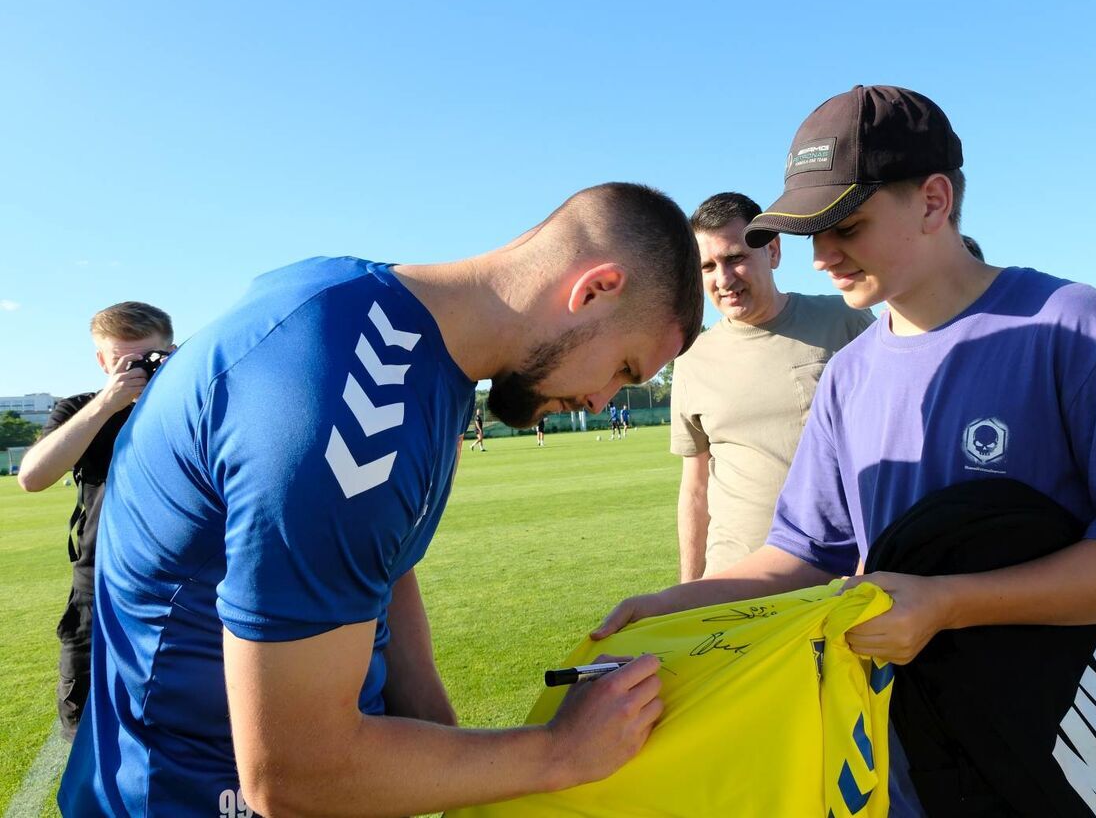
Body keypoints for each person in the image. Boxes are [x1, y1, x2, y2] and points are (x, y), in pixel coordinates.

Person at [593, 86, 1096, 812]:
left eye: (847, 226)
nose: (823, 256)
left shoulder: (1077, 330)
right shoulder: (850, 374)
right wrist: (669, 606)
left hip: (1070, 747)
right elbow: (801, 555)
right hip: (907, 753)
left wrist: (949, 603)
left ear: (932, 200)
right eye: (810, 233)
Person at [59, 182, 704, 817]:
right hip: (187, 791)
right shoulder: (348, 395)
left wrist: (442, 739)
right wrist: (561, 751)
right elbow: (294, 776)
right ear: (593, 290)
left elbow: (384, 566)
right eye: (624, 368)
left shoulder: (387, 328)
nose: (602, 401)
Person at [672, 192, 873, 582]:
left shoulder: (844, 322)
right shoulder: (692, 358)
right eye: (708, 266)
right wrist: (690, 587)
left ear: (773, 251)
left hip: (834, 576)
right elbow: (695, 487)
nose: (724, 279)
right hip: (732, 581)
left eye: (735, 258)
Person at [17, 301, 175, 742]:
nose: (135, 370)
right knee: (83, 721)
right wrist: (108, 403)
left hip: (172, 592)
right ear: (102, 360)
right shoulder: (83, 409)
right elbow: (33, 477)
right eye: (122, 361)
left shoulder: (193, 409)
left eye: (147, 358)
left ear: (171, 352)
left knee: (172, 725)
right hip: (97, 585)